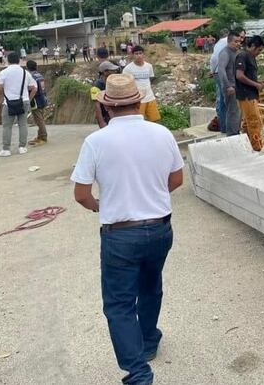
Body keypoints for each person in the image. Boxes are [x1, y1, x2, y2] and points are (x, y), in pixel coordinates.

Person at [71, 73, 184, 385]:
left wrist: (101, 205)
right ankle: (148, 341)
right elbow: (176, 179)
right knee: (151, 287)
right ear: (139, 101)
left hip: (120, 233)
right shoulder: (162, 134)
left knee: (119, 304)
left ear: (107, 106)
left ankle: (138, 373)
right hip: (160, 228)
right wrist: (150, 196)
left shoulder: (96, 142)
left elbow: (81, 194)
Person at [0, 52, 37, 157]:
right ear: (19, 60)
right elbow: (33, 87)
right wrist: (28, 98)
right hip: (24, 101)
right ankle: (22, 147)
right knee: (23, 124)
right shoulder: (25, 73)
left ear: (8, 60)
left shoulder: (4, 72)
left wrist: (4, 92)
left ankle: (6, 149)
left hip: (9, 102)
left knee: (7, 126)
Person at [235, 35, 264, 151]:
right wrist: (256, 85)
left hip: (251, 94)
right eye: (259, 50)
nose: (259, 53)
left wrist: (258, 83)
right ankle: (256, 146)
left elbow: (248, 76)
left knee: (247, 121)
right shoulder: (243, 56)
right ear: (253, 46)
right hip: (246, 95)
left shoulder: (251, 57)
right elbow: (239, 75)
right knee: (254, 121)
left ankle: (246, 145)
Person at [122, 45, 160, 122]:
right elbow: (125, 84)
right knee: (138, 121)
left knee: (155, 120)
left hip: (150, 97)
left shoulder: (149, 66)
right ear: (132, 55)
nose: (139, 55)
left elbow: (150, 79)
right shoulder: (128, 69)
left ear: (143, 54)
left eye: (140, 53)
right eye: (136, 54)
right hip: (137, 100)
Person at [217, 32, 242, 136]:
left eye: (239, 41)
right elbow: (221, 70)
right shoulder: (225, 53)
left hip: (237, 86)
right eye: (235, 42)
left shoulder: (236, 52)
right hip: (230, 87)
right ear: (229, 41)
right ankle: (232, 134)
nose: (238, 44)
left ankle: (236, 131)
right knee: (232, 111)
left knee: (236, 111)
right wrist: (228, 86)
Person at [209, 29, 230, 133]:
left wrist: (212, 71)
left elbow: (213, 59)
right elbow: (214, 59)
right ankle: (226, 127)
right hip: (223, 73)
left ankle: (223, 126)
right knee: (225, 101)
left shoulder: (218, 44)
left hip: (217, 73)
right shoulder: (227, 41)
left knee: (221, 99)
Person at [26, 60, 49, 146]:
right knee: (40, 118)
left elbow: (33, 89)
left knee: (39, 120)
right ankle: (40, 136)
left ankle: (43, 137)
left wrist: (29, 99)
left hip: (36, 100)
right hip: (43, 98)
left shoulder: (31, 77)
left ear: (27, 67)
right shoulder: (39, 75)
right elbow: (43, 87)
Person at [93, 61, 121, 128]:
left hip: (116, 115)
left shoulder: (113, 82)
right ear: (105, 72)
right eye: (112, 70)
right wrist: (101, 122)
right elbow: (97, 106)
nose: (115, 71)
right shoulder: (97, 86)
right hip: (106, 116)